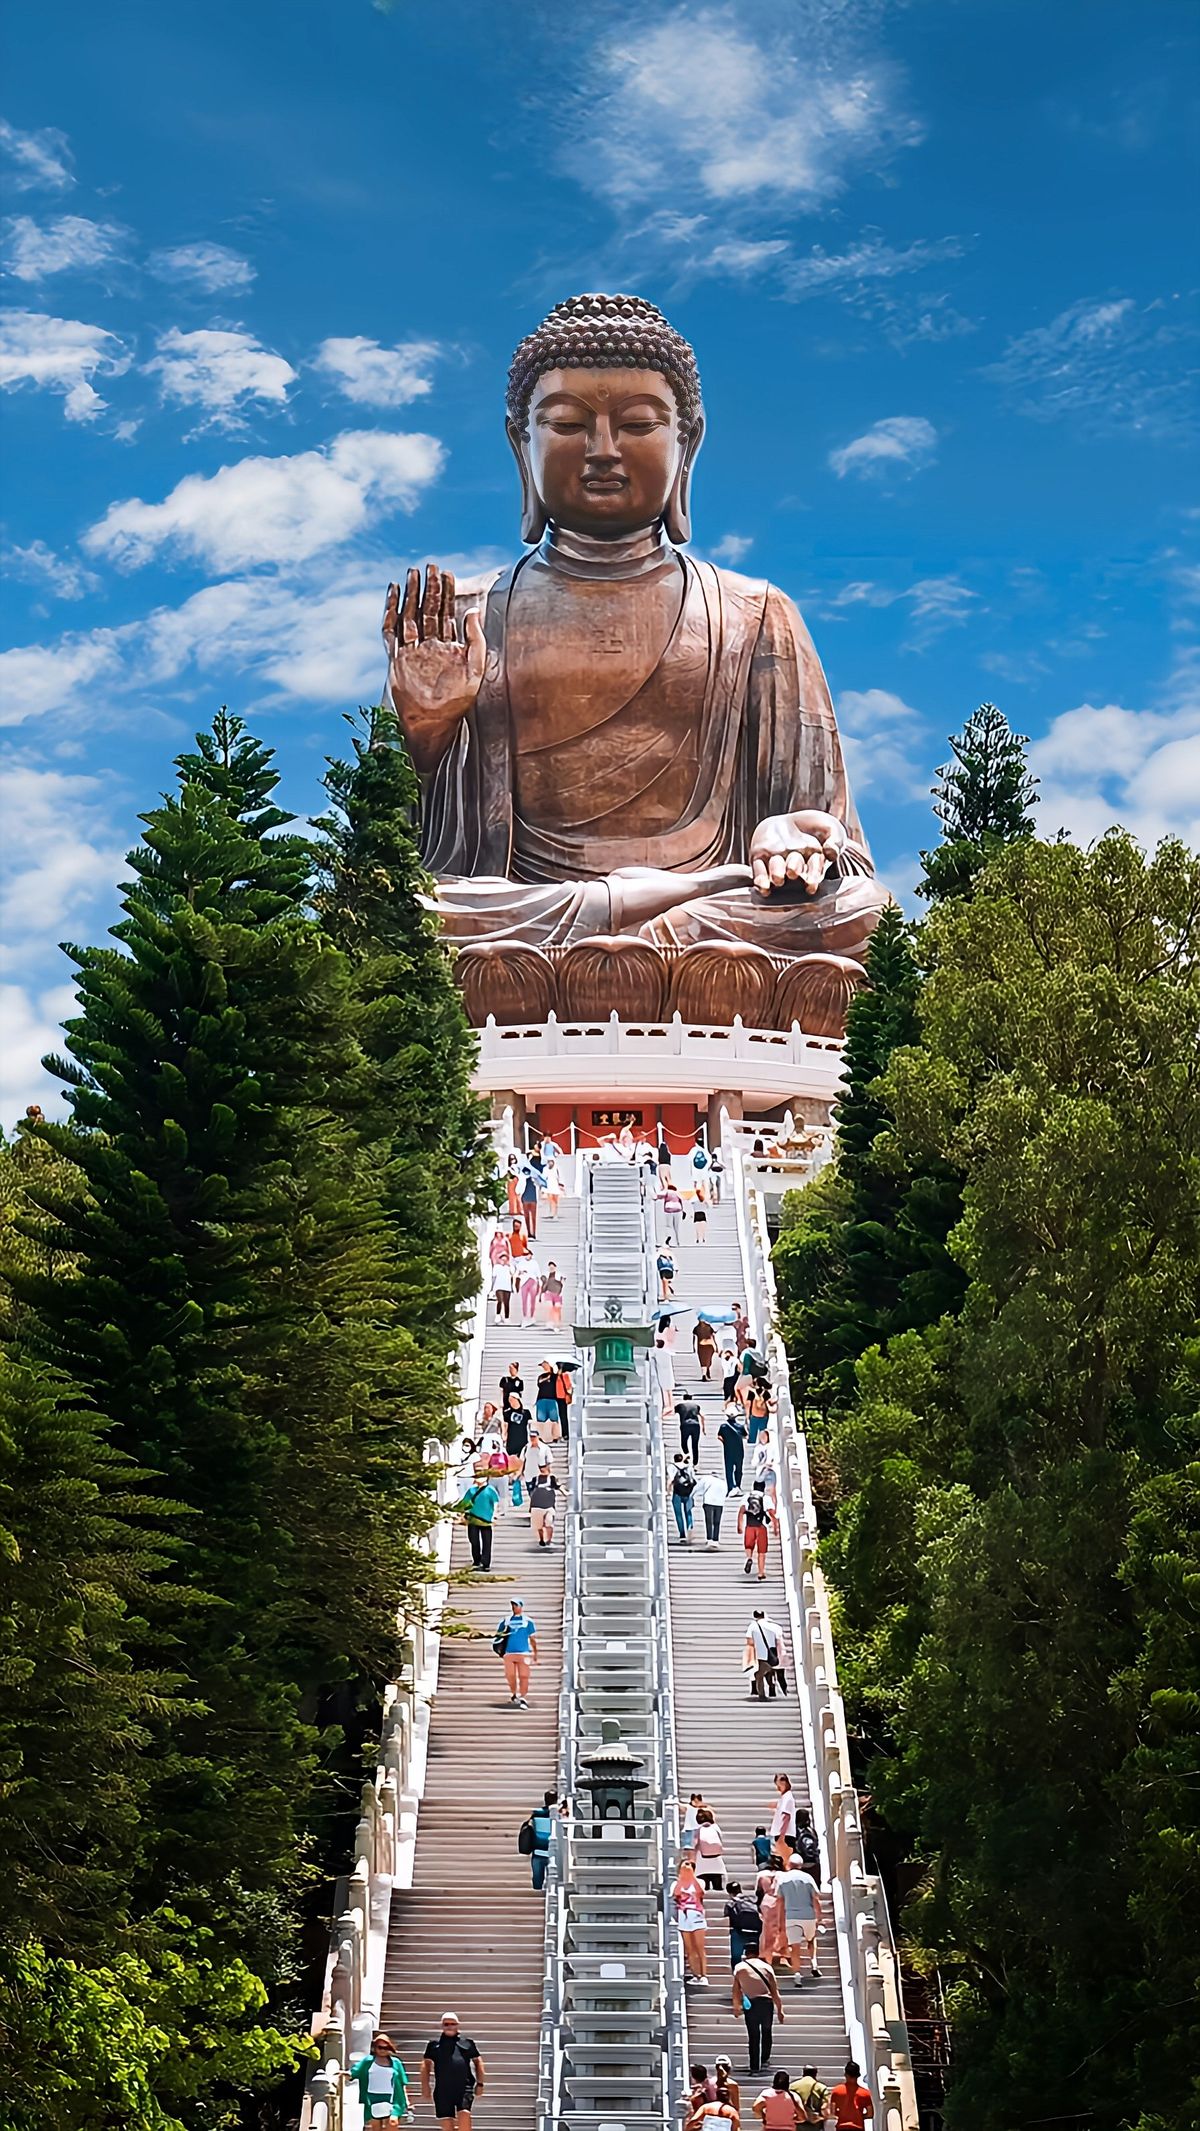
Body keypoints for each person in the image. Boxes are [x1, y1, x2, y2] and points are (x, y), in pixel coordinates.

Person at [421, 2013, 484, 2129]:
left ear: (457, 2025)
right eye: (446, 2024)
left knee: (464, 2114)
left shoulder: (467, 2043)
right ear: (442, 2026)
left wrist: (480, 2084)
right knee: (446, 2122)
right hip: (443, 2089)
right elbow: (425, 2065)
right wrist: (425, 2086)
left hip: (464, 2087)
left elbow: (478, 2062)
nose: (449, 2026)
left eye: (452, 2024)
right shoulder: (434, 2045)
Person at [731, 1951, 785, 2076]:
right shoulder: (767, 1967)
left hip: (751, 2004)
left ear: (745, 1954)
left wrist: (736, 2006)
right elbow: (774, 1990)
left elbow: (736, 1989)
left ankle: (754, 2066)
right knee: (766, 2031)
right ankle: (765, 2059)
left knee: (753, 2035)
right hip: (766, 2003)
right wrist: (780, 2009)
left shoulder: (740, 1968)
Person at [775, 1857, 823, 1982]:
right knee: (811, 1940)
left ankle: (797, 1975)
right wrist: (819, 1916)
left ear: (788, 1865)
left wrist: (780, 1922)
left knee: (795, 1947)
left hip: (791, 1917)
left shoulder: (783, 1879)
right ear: (801, 1866)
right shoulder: (808, 1878)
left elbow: (780, 1902)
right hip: (808, 1915)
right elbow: (815, 1898)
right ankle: (814, 1963)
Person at [348, 2031, 412, 2125]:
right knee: (376, 2126)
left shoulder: (396, 2063)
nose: (383, 2050)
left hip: (392, 2097)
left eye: (386, 2048)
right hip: (371, 2097)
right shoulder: (368, 2061)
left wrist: (407, 2101)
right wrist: (344, 2074)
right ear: (375, 2047)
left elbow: (402, 2083)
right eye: (380, 2047)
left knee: (392, 2123)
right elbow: (354, 2072)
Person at [671, 1855, 709, 1983]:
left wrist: (691, 1876)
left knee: (700, 1947)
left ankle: (704, 1975)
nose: (687, 1867)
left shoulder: (699, 1881)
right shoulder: (676, 1883)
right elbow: (675, 1894)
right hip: (683, 1915)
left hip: (696, 1914)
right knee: (689, 1949)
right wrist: (682, 1877)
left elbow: (701, 1892)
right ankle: (695, 1975)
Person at [496, 1595, 538, 1708]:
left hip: (524, 1652)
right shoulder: (506, 1621)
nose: (514, 1607)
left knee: (524, 1675)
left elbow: (532, 1638)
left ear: (521, 1607)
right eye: (513, 1605)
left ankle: (523, 1695)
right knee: (510, 1675)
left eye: (516, 1605)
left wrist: (535, 1652)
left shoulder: (528, 1621)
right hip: (509, 1652)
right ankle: (514, 1694)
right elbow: (498, 1636)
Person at [459, 1473, 499, 1571]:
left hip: (486, 1519)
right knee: (474, 1540)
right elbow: (465, 1503)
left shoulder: (490, 1490)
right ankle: (476, 1560)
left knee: (487, 1542)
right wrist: (461, 1513)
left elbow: (495, 1503)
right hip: (473, 1518)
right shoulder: (471, 1490)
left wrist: (494, 1515)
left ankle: (486, 1563)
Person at [521, 1789, 558, 1890]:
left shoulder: (537, 1814)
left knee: (538, 1877)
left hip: (538, 1849)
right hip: (551, 1849)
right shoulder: (560, 1814)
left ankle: (538, 1889)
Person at [738, 1489, 778, 1580]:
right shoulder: (766, 1498)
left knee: (749, 1546)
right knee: (761, 1551)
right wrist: (775, 1527)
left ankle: (749, 1558)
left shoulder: (746, 1497)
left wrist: (739, 1525)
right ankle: (761, 1572)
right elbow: (772, 1513)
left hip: (749, 1526)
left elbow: (741, 1511)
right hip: (761, 1527)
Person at [747, 1611, 785, 1701]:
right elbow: (779, 1637)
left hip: (761, 1654)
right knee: (769, 1671)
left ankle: (762, 1695)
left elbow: (749, 1640)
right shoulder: (773, 1625)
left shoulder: (753, 1626)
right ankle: (771, 1689)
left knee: (759, 1675)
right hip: (772, 1652)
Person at [724, 1880, 763, 1967]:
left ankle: (737, 1971)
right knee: (755, 1954)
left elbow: (727, 1916)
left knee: (736, 1957)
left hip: (739, 1932)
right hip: (755, 1931)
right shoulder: (752, 1900)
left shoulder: (731, 1903)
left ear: (729, 1892)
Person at [828, 2063, 874, 2129]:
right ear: (858, 2075)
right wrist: (859, 2116)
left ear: (846, 2074)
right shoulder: (865, 2093)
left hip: (842, 2127)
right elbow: (870, 2114)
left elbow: (833, 2112)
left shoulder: (836, 2091)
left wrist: (841, 2114)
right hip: (857, 2127)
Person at [693, 1805, 726, 1890]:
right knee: (717, 1882)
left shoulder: (698, 1829)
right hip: (716, 1858)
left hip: (702, 1859)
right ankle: (718, 1887)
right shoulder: (715, 1827)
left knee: (704, 1883)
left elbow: (695, 1844)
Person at [719, 1403, 748, 1494]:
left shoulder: (723, 1426)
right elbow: (745, 1436)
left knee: (729, 1470)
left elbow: (719, 1437)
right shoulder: (740, 1427)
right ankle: (738, 1486)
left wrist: (725, 1442)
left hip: (728, 1451)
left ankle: (730, 1487)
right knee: (739, 1469)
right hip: (739, 1450)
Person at [528, 1466, 559, 1546]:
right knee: (539, 1526)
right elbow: (532, 1492)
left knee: (549, 1523)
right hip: (537, 1505)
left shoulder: (551, 1479)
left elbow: (557, 1486)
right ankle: (541, 1539)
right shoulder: (535, 1479)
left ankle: (549, 1540)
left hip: (549, 1506)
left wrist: (565, 1492)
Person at [671, 1452, 697, 1543]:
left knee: (678, 1514)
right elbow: (694, 1480)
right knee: (688, 1512)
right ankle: (690, 1528)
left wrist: (667, 1490)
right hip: (688, 1492)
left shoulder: (672, 1467)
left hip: (677, 1492)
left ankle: (682, 1534)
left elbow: (671, 1479)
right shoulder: (689, 1467)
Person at [770, 1775, 797, 1858]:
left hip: (785, 1835)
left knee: (785, 1859)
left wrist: (782, 1836)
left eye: (779, 1786)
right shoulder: (784, 1797)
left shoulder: (787, 1797)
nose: (778, 1789)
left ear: (784, 1783)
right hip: (783, 1834)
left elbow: (786, 1817)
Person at [700, 1467, 727, 1548]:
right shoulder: (723, 1482)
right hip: (719, 1503)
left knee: (709, 1521)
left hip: (708, 1502)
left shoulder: (706, 1479)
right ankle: (716, 1540)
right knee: (717, 1522)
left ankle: (709, 1539)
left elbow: (697, 1488)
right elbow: (725, 1492)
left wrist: (691, 1495)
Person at [793, 1810, 821, 1883]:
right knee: (815, 1884)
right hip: (814, 1863)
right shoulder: (812, 1831)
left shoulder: (795, 1831)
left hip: (801, 1863)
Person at [751, 1434, 779, 1508]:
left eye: (764, 1436)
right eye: (761, 1436)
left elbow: (773, 1460)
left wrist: (769, 1463)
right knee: (759, 1494)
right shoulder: (757, 1448)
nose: (763, 1438)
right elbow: (754, 1462)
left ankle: (773, 1509)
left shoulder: (771, 1447)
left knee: (771, 1493)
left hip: (769, 1472)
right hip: (759, 1474)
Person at [676, 1392, 703, 1465]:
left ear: (683, 1398)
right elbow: (701, 1416)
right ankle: (695, 1462)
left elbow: (672, 1412)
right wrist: (703, 1428)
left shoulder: (680, 1405)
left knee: (684, 1442)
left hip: (685, 1425)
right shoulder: (696, 1406)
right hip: (696, 1426)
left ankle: (687, 1455)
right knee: (695, 1444)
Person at [653, 1335, 676, 1419]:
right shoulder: (666, 1352)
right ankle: (671, 1406)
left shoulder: (656, 1352)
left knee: (664, 1390)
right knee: (670, 1391)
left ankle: (667, 1406)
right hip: (669, 1372)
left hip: (661, 1372)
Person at [746, 1379, 774, 1444]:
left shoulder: (752, 1392)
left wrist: (747, 1415)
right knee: (763, 1434)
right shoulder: (766, 1393)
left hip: (754, 1416)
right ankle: (764, 1445)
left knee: (752, 1434)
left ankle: (751, 1446)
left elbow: (748, 1404)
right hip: (764, 1416)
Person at [535, 1362, 560, 1432]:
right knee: (540, 1419)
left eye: (545, 1365)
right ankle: (540, 1434)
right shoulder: (541, 1376)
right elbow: (539, 1384)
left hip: (552, 1399)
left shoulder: (555, 1376)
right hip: (541, 1399)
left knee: (554, 1419)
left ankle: (555, 1435)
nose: (544, 1367)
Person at [518, 1248, 542, 1322]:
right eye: (526, 1255)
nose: (527, 1256)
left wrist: (539, 1283)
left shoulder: (534, 1263)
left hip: (533, 1281)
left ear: (531, 1255)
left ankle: (532, 1316)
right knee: (524, 1300)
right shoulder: (521, 1263)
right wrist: (521, 1272)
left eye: (529, 1254)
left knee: (532, 1299)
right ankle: (525, 1316)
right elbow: (518, 1272)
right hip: (524, 1282)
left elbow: (538, 1274)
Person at [539, 1259, 564, 1326]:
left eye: (552, 1267)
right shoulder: (546, 1274)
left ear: (555, 1267)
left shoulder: (559, 1275)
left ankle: (557, 1323)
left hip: (557, 1293)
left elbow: (563, 1284)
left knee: (557, 1308)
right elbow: (542, 1284)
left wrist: (561, 1293)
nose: (551, 1268)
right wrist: (541, 1295)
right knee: (549, 1307)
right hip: (549, 1293)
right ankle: (550, 1321)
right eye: (550, 1267)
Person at [681, 1790, 704, 1858]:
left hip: (698, 1829)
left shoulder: (702, 1809)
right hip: (689, 1828)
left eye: (697, 1801)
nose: (696, 1803)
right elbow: (680, 1805)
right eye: (694, 1801)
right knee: (688, 1846)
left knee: (696, 1845)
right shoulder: (688, 1807)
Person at [694, 1315, 717, 1380]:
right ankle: (706, 1371)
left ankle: (704, 1374)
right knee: (708, 1360)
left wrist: (693, 1347)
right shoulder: (709, 1327)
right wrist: (715, 1345)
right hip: (709, 1346)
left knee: (703, 1361)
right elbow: (713, 1337)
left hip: (701, 1346)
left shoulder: (696, 1328)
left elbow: (694, 1338)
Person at [661, 1179, 685, 1245]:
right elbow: (681, 1201)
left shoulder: (667, 1192)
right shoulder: (677, 1193)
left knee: (669, 1225)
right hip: (677, 1210)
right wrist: (683, 1210)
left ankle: (669, 1238)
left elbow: (661, 1199)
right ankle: (678, 1241)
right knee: (677, 1226)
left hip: (668, 1210)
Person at [554, 1361, 574, 1439]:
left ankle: (565, 1433)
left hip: (562, 1397)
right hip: (557, 1397)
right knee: (560, 1416)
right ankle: (562, 1433)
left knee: (563, 1416)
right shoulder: (556, 1376)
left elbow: (568, 1386)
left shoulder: (565, 1375)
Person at [490, 1256, 513, 1322]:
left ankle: (506, 1317)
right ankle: (498, 1315)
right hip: (498, 1287)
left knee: (506, 1303)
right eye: (502, 1260)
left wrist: (510, 1266)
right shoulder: (496, 1267)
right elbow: (493, 1277)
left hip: (507, 1287)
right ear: (500, 1260)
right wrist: (492, 1288)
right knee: (500, 1300)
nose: (503, 1261)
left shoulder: (509, 1267)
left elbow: (512, 1275)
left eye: (505, 1260)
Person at [520, 1164, 539, 1237]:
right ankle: (530, 1233)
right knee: (528, 1217)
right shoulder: (522, 1178)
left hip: (532, 1199)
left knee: (532, 1217)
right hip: (527, 1198)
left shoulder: (533, 1177)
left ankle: (533, 1233)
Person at [504, 1151, 521, 1217]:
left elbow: (518, 1174)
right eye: (511, 1159)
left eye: (513, 1159)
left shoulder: (517, 1167)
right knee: (512, 1197)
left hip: (516, 1181)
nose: (512, 1160)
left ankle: (519, 1210)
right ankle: (513, 1210)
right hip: (511, 1182)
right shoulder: (509, 1168)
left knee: (518, 1196)